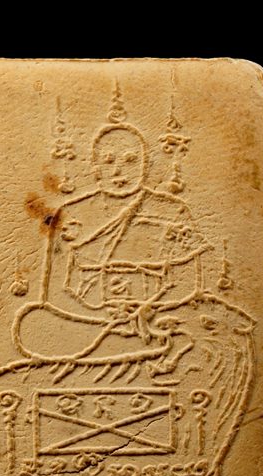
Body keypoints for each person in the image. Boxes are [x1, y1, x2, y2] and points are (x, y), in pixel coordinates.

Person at [13, 122, 213, 362]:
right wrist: (98, 314)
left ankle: (122, 347)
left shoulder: (172, 210)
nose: (119, 171)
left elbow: (187, 285)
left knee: (201, 320)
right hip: (91, 320)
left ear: (145, 165)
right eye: (108, 162)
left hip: (156, 317)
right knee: (32, 321)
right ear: (95, 169)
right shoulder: (71, 213)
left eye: (130, 161)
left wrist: (146, 311)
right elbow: (54, 293)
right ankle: (134, 347)